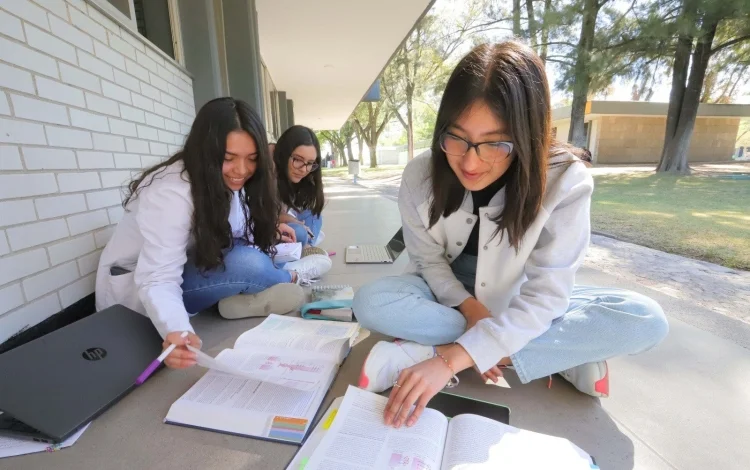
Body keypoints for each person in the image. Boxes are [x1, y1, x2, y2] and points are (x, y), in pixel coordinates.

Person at [352, 42, 669, 428]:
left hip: (519, 296)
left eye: (496, 144)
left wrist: (449, 359)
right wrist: (472, 312)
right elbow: (428, 261)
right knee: (371, 302)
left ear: (527, 135)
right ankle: (557, 354)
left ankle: (422, 351)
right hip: (444, 293)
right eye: (457, 137)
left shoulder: (565, 180)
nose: (470, 161)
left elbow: (546, 295)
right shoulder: (420, 174)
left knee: (645, 319)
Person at [95, 98, 331, 368]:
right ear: (205, 151)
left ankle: (236, 298)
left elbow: (238, 227)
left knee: (255, 250)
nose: (241, 170)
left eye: (252, 159)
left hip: (194, 264)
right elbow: (158, 278)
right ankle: (292, 274)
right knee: (247, 262)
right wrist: (178, 331)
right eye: (228, 158)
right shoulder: (169, 192)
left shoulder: (230, 178)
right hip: (143, 294)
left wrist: (271, 230)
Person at [274, 125, 325, 247]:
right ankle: (306, 247)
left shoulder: (302, 175)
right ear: (284, 153)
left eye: (310, 163)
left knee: (314, 216)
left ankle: (306, 248)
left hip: (282, 223)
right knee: (300, 232)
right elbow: (266, 216)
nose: (303, 170)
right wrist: (293, 221)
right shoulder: (269, 171)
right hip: (264, 231)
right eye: (298, 159)